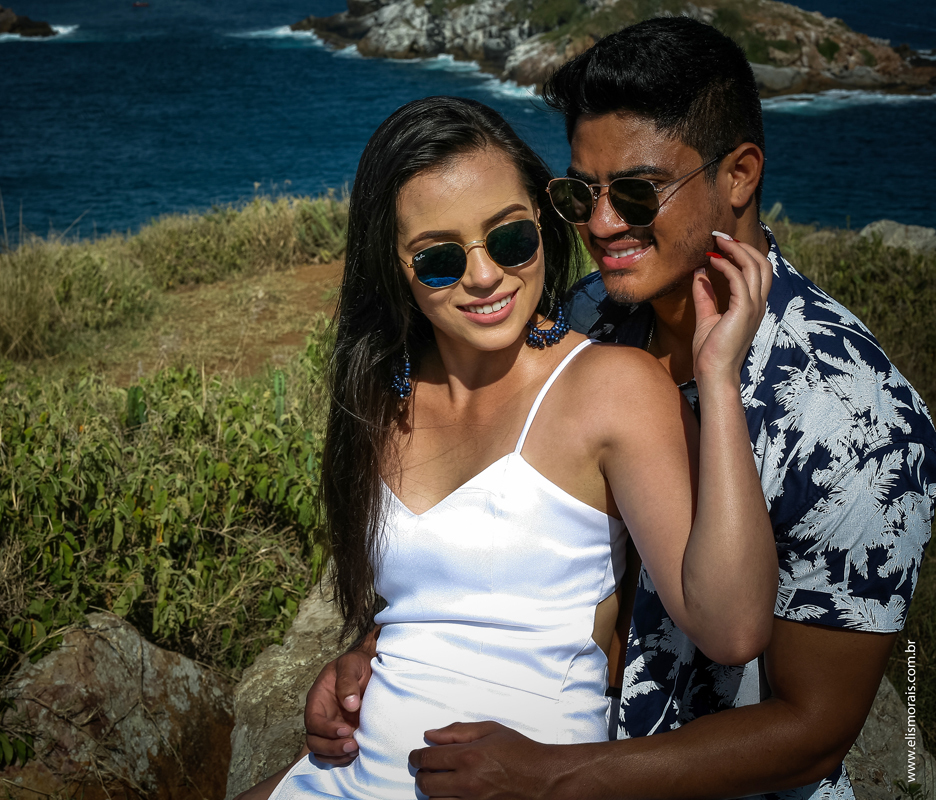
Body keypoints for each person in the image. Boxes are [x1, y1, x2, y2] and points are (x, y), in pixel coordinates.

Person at [303, 17, 936, 800]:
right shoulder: (590, 311)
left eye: (636, 192)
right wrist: (388, 650)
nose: (602, 226)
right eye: (581, 193)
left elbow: (811, 731)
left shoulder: (860, 425)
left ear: (739, 175)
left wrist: (554, 775)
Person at [248, 94, 778, 800]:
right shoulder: (383, 393)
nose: (484, 275)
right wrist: (358, 658)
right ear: (395, 267)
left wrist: (716, 379)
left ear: (542, 224)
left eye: (509, 239)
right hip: (347, 776)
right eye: (438, 258)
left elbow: (733, 627)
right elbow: (427, 605)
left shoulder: (610, 387)